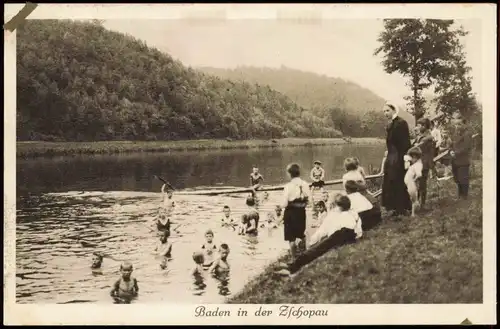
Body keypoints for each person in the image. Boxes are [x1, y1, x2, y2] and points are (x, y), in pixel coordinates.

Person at [276, 194, 362, 276]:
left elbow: (321, 232)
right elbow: (358, 230)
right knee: (318, 249)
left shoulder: (334, 215)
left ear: (337, 206)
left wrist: (311, 243)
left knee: (315, 250)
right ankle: (293, 265)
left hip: (339, 235)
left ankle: (292, 269)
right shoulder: (353, 213)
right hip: (351, 235)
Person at [381, 102, 412, 217]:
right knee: (391, 181)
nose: (385, 113)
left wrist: (405, 158)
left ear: (394, 110)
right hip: (391, 157)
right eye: (384, 111)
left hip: (398, 157)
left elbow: (405, 142)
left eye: (387, 111)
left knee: (398, 181)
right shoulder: (391, 124)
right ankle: (394, 208)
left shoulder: (401, 123)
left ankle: (401, 208)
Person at [281, 163, 312, 263]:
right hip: (301, 212)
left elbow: (285, 204)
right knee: (301, 234)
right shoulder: (305, 184)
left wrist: (279, 206)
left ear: (289, 174)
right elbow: (310, 201)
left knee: (291, 237)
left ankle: (294, 258)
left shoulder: (288, 186)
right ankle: (303, 255)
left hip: (290, 212)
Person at [412, 118, 435, 208]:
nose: (417, 127)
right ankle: (417, 202)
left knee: (422, 184)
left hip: (424, 163)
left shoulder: (427, 137)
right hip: (419, 162)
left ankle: (422, 204)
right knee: (418, 183)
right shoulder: (421, 135)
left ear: (424, 126)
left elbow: (417, 147)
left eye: (419, 125)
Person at [450, 115, 474, 199]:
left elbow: (466, 147)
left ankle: (464, 196)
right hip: (455, 160)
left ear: (464, 124)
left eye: (459, 124)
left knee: (463, 178)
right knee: (457, 178)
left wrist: (455, 153)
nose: (457, 126)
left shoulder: (467, 134)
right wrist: (451, 151)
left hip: (463, 160)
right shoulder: (455, 134)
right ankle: (460, 195)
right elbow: (453, 145)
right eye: (456, 124)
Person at [404, 147, 424, 217]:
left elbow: (419, 174)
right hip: (409, 182)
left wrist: (414, 180)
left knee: (413, 198)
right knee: (412, 198)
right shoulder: (416, 164)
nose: (411, 160)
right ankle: (413, 212)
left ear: (415, 157)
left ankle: (413, 213)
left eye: (411, 158)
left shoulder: (418, 165)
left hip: (411, 182)